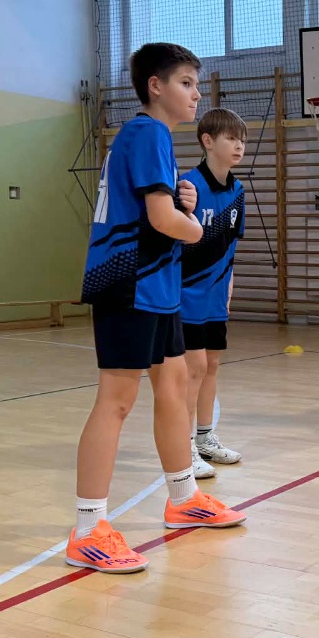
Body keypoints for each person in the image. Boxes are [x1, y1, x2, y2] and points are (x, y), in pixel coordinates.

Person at [70, 43, 245, 575]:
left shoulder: (157, 141)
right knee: (116, 402)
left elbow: (161, 210)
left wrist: (180, 204)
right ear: (156, 86)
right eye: (187, 83)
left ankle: (183, 497)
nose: (196, 93)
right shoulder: (146, 132)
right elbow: (163, 220)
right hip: (128, 284)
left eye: (197, 84)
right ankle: (87, 530)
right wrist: (192, 224)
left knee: (173, 386)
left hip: (160, 287)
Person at [181, 108, 248, 480]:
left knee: (212, 366)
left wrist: (229, 289)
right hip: (187, 295)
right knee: (193, 370)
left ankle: (205, 438)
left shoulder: (237, 191)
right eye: (231, 138)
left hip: (217, 297)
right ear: (207, 141)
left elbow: (231, 247)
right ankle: (184, 446)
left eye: (242, 140)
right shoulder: (188, 187)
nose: (239, 146)